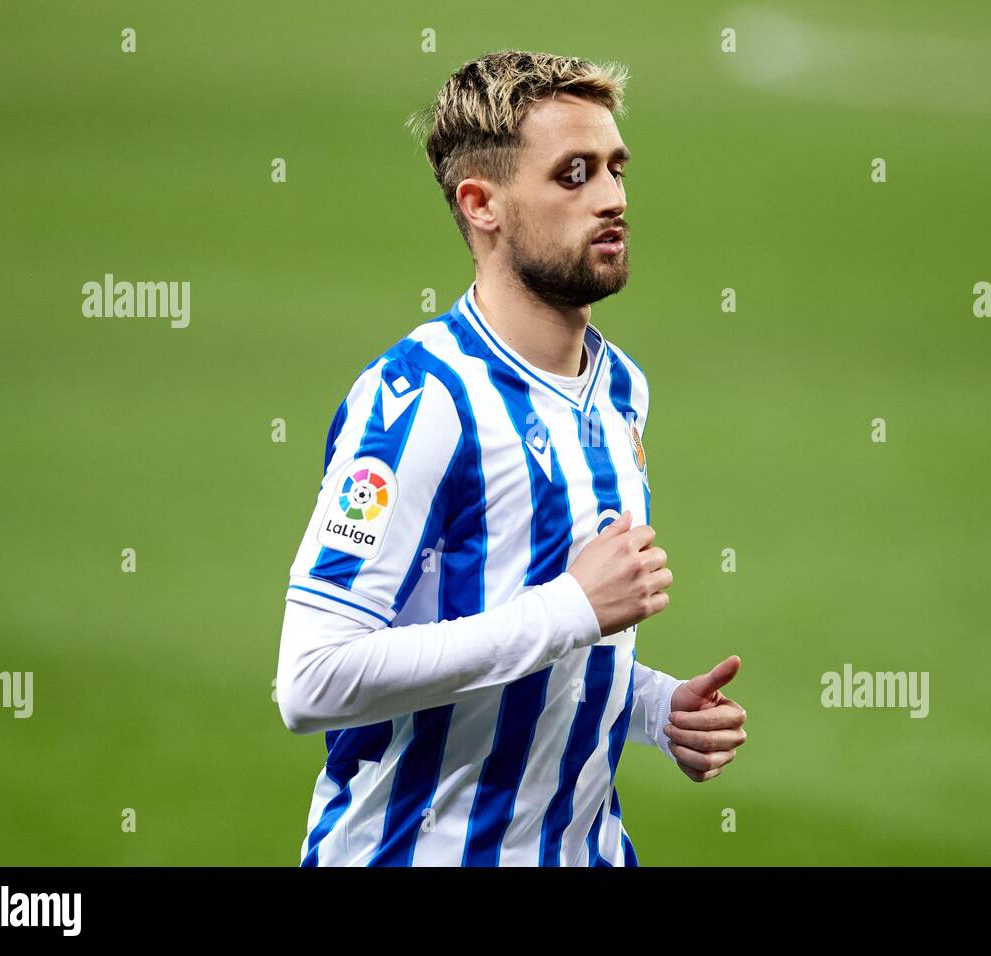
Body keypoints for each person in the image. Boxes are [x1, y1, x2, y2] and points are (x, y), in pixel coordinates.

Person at [276, 50, 747, 867]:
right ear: (482, 205)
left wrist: (652, 707)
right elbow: (312, 681)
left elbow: (550, 633)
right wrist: (568, 607)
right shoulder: (423, 401)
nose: (612, 199)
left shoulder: (618, 388)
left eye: (614, 168)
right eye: (573, 175)